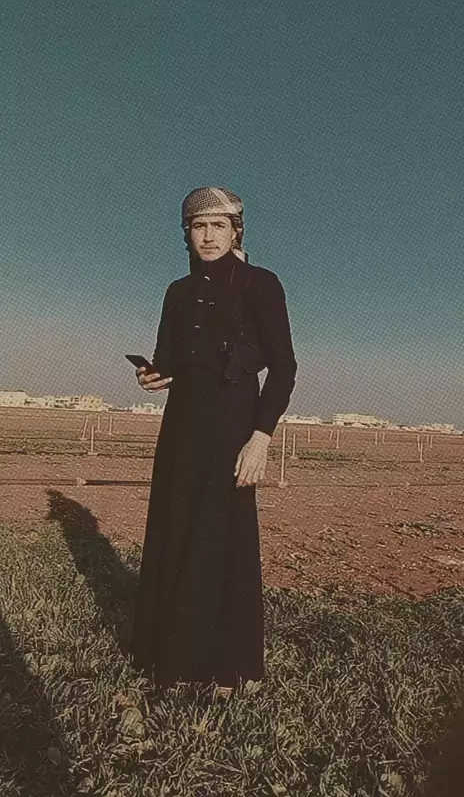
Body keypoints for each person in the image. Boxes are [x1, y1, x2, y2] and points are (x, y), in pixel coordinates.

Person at [128, 186, 297, 698]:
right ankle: (172, 661)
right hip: (181, 429)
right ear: (187, 234)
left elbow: (284, 367)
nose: (208, 236)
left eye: (218, 226)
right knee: (177, 531)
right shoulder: (177, 292)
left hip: (234, 429)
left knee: (224, 542)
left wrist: (261, 437)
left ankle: (228, 669)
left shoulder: (262, 284)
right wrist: (153, 375)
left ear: (235, 231)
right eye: (198, 227)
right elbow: (169, 359)